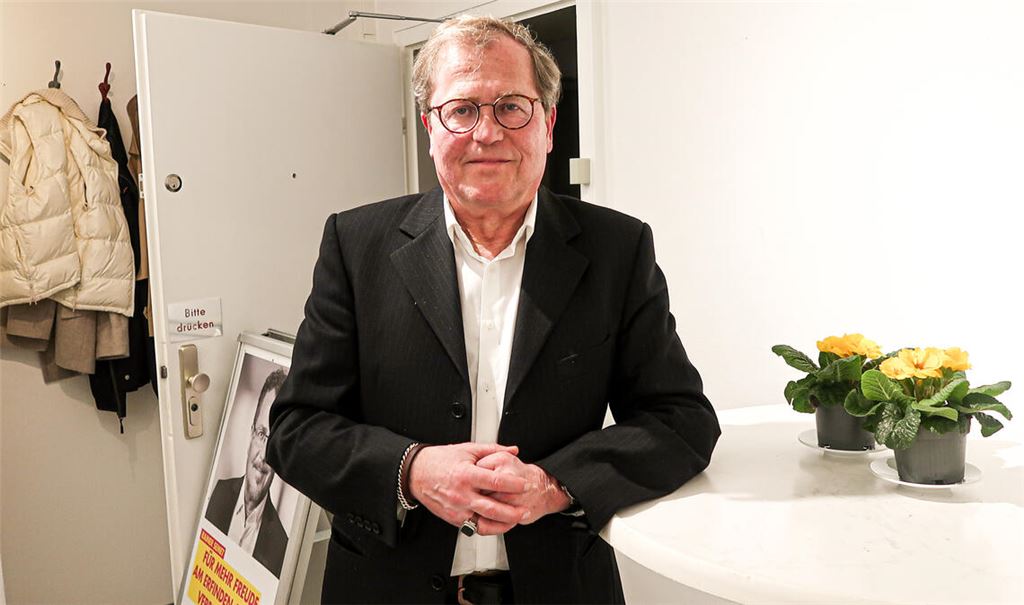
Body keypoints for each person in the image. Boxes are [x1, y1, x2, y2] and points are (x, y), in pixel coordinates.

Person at [266, 15, 720, 604]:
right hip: (387, 588)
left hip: (560, 589)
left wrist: (555, 484)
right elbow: (297, 429)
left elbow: (680, 420)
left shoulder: (617, 250)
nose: (487, 133)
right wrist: (412, 471)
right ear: (431, 127)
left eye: (512, 106)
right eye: (462, 109)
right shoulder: (357, 246)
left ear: (549, 125)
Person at [206, 368, 289, 578]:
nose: (264, 456)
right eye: (262, 434)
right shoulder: (217, 494)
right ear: (252, 433)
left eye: (276, 441)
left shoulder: (281, 545)